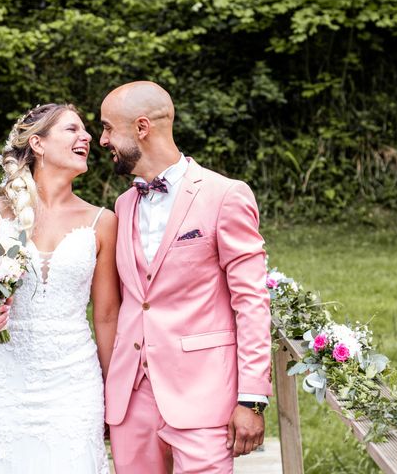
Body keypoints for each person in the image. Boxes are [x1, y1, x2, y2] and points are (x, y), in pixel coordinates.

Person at [101, 81, 272, 474]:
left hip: (203, 396)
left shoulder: (225, 195)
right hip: (132, 402)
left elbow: (251, 302)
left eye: (109, 127)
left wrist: (251, 399)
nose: (102, 138)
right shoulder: (123, 204)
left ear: (141, 128)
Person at [0, 103, 120, 474]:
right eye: (72, 130)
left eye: (86, 131)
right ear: (38, 143)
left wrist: (113, 390)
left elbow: (107, 315)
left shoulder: (103, 222)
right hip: (2, 379)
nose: (87, 137)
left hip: (74, 381)